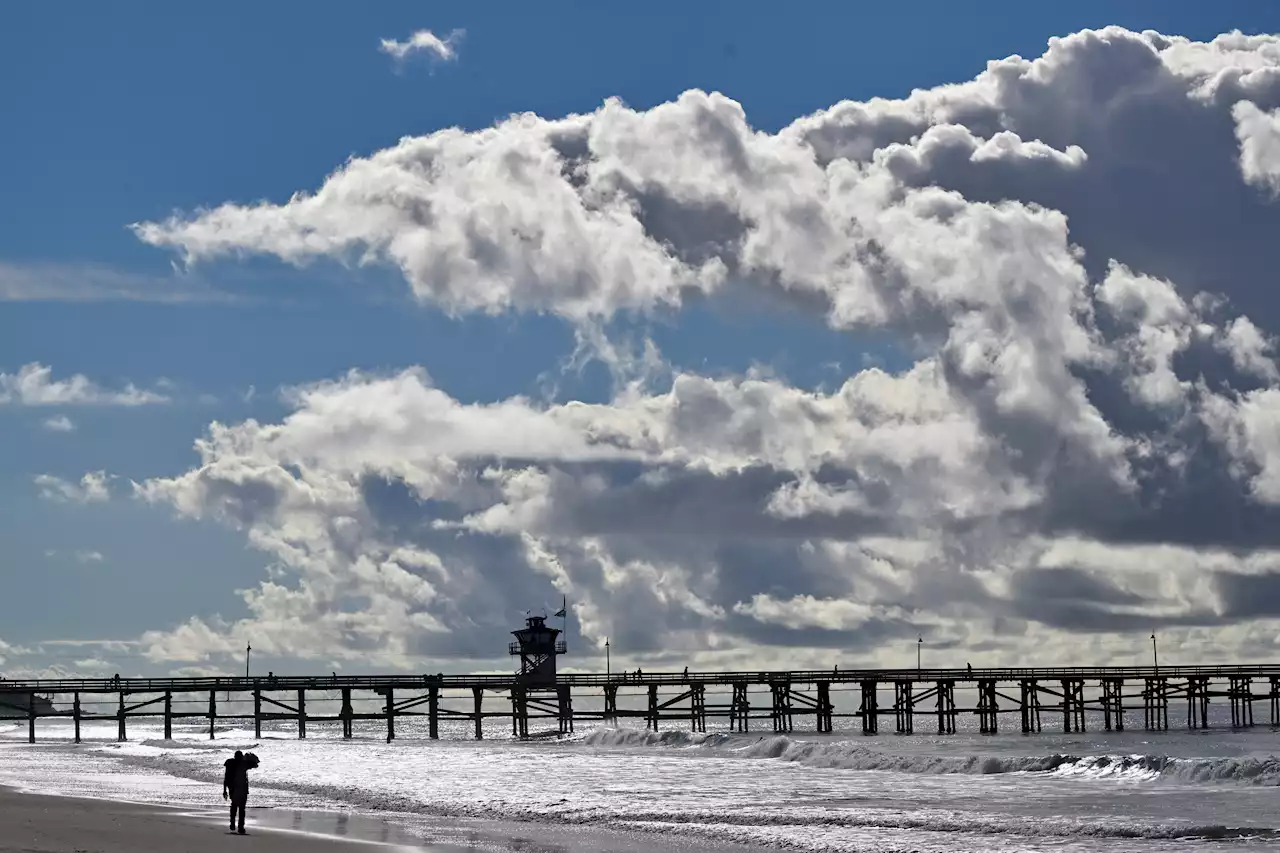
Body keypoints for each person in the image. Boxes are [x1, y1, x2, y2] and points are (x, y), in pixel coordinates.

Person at [222, 750, 255, 834]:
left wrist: (224, 790)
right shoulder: (243, 763)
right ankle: (241, 827)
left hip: (233, 788)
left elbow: (226, 777)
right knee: (242, 808)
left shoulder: (230, 763)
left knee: (234, 806)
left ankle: (232, 822)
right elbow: (255, 764)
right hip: (243, 788)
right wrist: (248, 757)